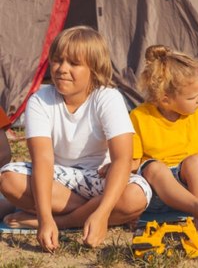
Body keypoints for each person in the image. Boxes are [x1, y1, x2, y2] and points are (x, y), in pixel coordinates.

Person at [0, 26, 152, 252]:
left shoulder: (108, 98)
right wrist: (44, 218)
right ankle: (99, 215)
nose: (62, 69)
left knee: (136, 196)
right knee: (8, 178)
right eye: (57, 60)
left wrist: (101, 213)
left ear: (94, 68)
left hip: (99, 177)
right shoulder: (39, 101)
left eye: (74, 63)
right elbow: (43, 160)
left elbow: (122, 159)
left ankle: (65, 221)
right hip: (58, 178)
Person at [130, 45, 198, 247]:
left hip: (191, 187)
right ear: (165, 100)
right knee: (154, 167)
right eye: (192, 97)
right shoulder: (139, 117)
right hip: (155, 195)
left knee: (197, 161)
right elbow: (134, 163)